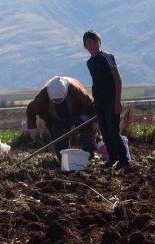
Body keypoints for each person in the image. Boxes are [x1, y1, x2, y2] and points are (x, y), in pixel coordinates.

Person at [83, 30, 130, 169]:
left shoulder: (107, 57)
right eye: (89, 43)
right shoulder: (90, 63)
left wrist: (117, 101)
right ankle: (112, 158)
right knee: (105, 132)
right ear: (85, 46)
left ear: (99, 42)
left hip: (111, 101)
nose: (93, 45)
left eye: (95, 41)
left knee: (113, 132)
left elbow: (117, 79)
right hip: (100, 102)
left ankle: (124, 161)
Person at [25, 76, 96, 161]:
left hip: (77, 115)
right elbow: (30, 110)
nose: (58, 102)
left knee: (87, 127)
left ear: (65, 93)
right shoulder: (43, 95)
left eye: (60, 100)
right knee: (60, 145)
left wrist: (95, 122)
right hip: (56, 119)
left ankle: (89, 154)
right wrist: (33, 128)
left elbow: (90, 105)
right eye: (55, 100)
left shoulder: (75, 89)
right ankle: (64, 158)